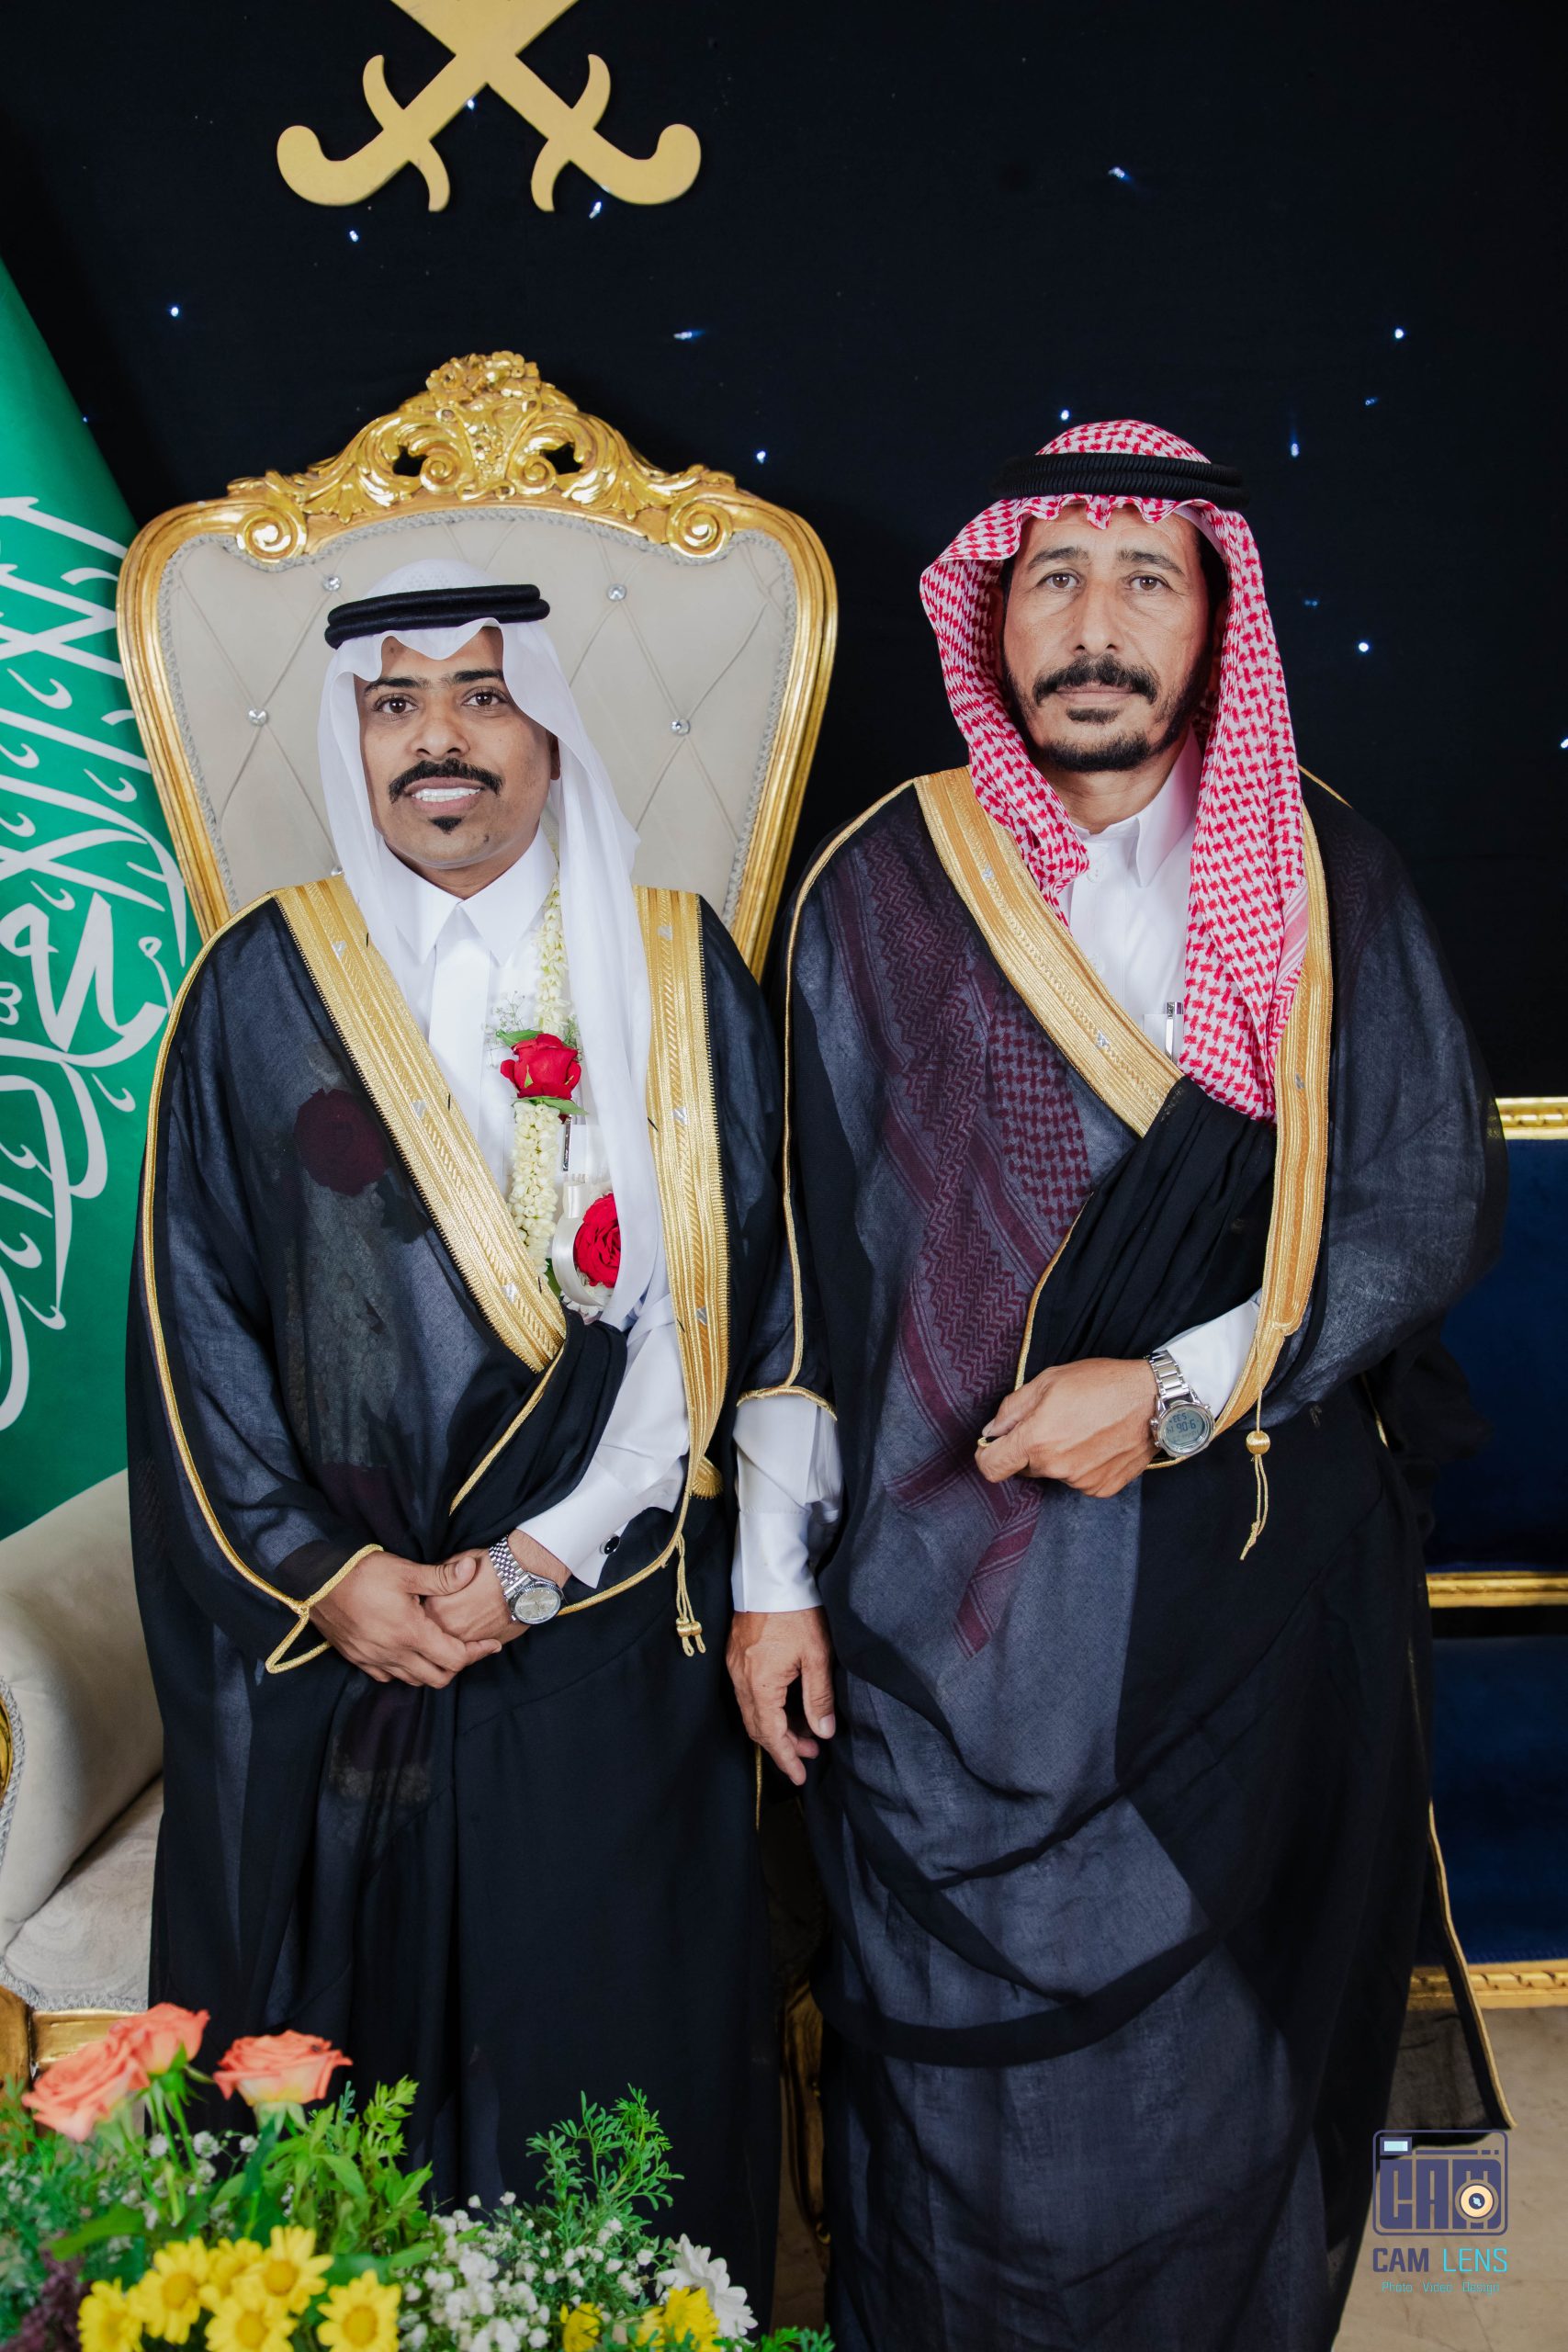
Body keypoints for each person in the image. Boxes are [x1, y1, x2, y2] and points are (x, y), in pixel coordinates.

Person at [727, 423, 1510, 2350]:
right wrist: (768, 1579)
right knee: (952, 2097)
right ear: (990, 614)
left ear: (1214, 621)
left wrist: (1162, 1390)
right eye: (1054, 577)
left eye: (1145, 579)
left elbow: (1416, 1202)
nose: (1096, 623)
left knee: (1215, 2075)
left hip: (1249, 1575)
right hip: (939, 1614)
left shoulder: (1323, 873)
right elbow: (800, 1266)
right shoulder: (879, 880)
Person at [130, 560, 780, 2292]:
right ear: (352, 742)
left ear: (549, 730)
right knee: (335, 2112)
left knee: (603, 2059)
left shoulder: (673, 966)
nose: (442, 739)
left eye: (484, 695)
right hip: (346, 1631)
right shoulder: (256, 986)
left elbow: (733, 1304)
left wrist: (543, 1559)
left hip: (603, 1601)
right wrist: (324, 1576)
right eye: (396, 703)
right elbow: (197, 1330)